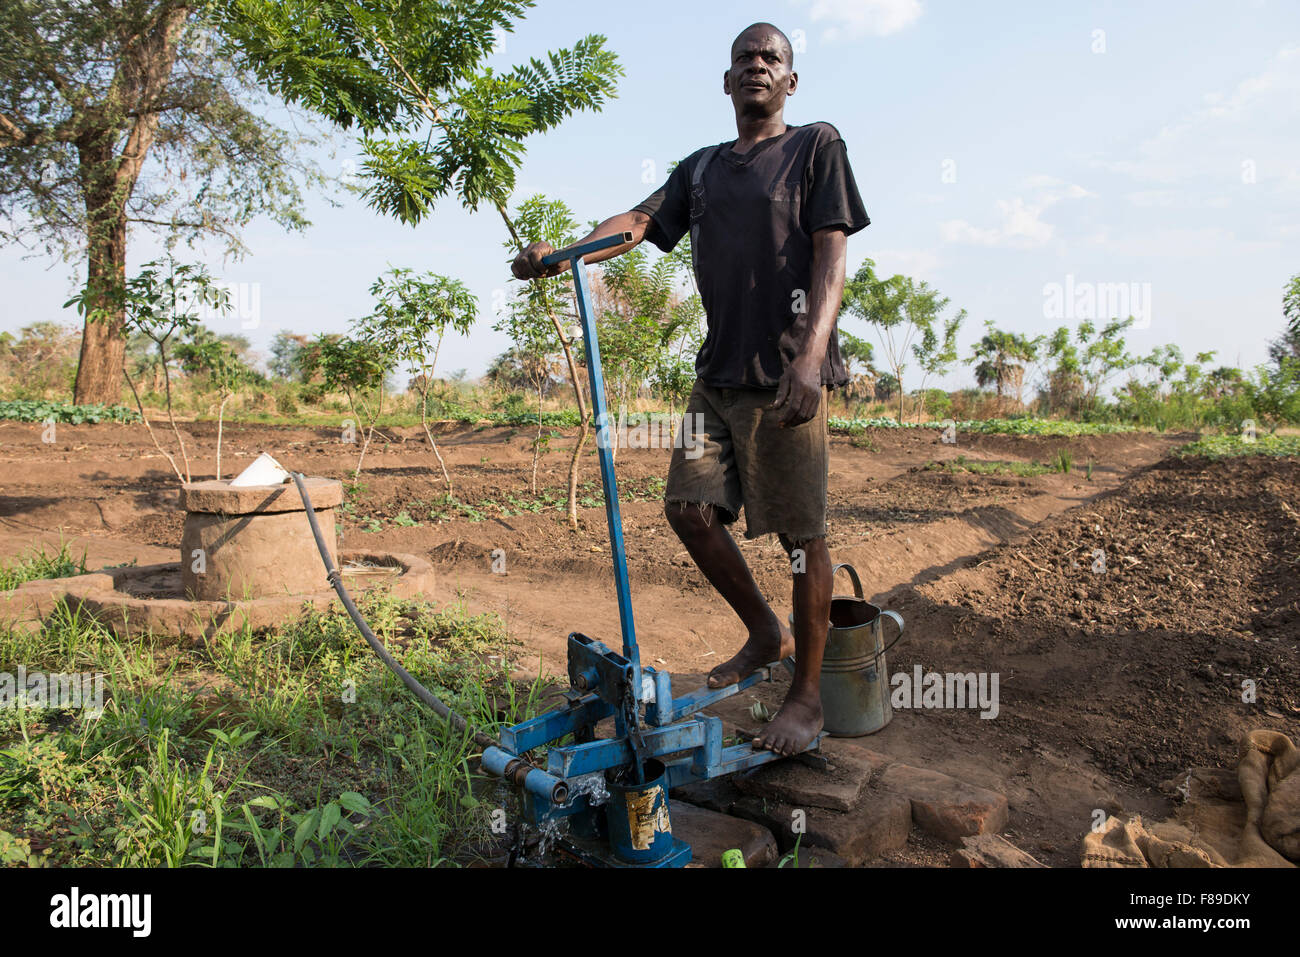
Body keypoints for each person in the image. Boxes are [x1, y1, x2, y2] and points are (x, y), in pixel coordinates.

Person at [511, 21, 870, 756]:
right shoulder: (701, 169)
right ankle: (764, 631)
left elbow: (833, 250)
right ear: (727, 81)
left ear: (790, 82)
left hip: (785, 374)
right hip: (718, 374)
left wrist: (812, 353)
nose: (758, 67)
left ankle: (805, 697)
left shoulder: (815, 146)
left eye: (772, 58)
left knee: (803, 539)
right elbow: (642, 222)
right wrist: (566, 254)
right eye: (745, 58)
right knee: (687, 509)